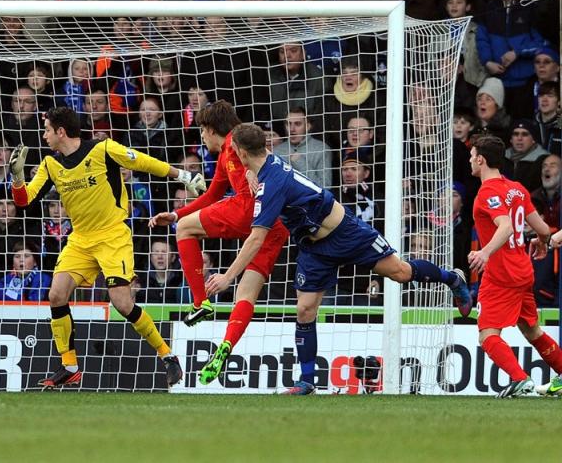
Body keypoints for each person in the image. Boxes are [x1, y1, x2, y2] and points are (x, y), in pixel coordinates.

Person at [202, 123, 473, 395]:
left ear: (240, 150)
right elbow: (254, 163)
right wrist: (249, 172)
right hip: (313, 247)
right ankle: (306, 381)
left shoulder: (272, 183)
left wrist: (228, 277)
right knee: (305, 309)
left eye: (233, 150)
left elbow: (256, 239)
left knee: (400, 273)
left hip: (345, 233)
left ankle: (453, 278)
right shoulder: (266, 163)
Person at [10, 106, 207, 389]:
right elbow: (24, 200)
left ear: (60, 131)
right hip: (80, 240)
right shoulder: (50, 165)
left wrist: (183, 176)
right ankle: (70, 366)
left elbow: (142, 162)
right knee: (56, 294)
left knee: (122, 303)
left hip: (113, 236)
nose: (44, 136)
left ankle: (168, 355)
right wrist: (17, 178)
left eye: (46, 130)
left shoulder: (102, 149)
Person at [147, 100, 288, 334]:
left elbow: (261, 156)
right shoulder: (224, 155)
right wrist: (175, 214)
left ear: (212, 129)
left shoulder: (236, 140)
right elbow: (212, 195)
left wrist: (253, 172)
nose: (202, 136)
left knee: (184, 229)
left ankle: (200, 302)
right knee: (245, 293)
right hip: (269, 223)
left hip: (247, 208)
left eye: (202, 130)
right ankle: (224, 347)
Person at [467, 134, 562, 397]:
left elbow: (506, 226)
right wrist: (542, 242)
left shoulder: (487, 192)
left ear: (481, 159)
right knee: (531, 329)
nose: (470, 161)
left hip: (501, 274)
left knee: (487, 335)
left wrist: (485, 252)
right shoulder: (516, 188)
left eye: (472, 156)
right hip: (523, 271)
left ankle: (520, 379)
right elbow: (542, 227)